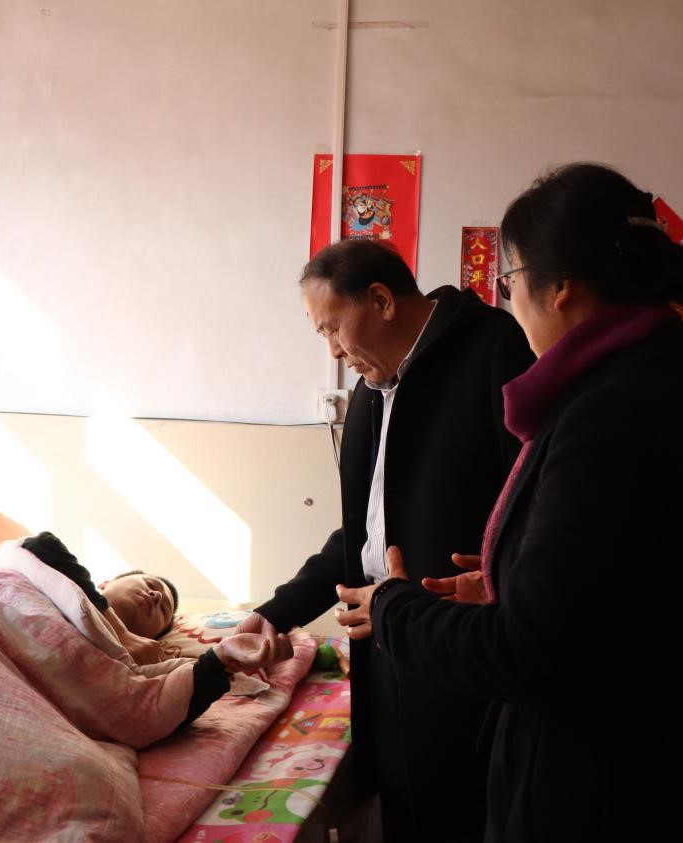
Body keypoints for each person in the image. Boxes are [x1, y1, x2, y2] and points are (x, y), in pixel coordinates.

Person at [344, 163, 683, 841]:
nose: (510, 303)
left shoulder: (611, 415)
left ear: (560, 286)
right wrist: (506, 581)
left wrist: (393, 606)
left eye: (510, 281)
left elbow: (529, 651)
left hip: (601, 792)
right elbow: (614, 599)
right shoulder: (664, 388)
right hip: (653, 766)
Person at [237, 239, 535, 842]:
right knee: (406, 814)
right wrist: (275, 614)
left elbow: (533, 504)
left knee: (466, 817)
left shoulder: (491, 351)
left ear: (381, 301)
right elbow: (362, 535)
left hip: (463, 653)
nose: (332, 351)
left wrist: (500, 582)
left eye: (333, 328)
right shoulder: (372, 393)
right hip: (385, 648)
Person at [20, 531, 293, 727]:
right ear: (104, 584)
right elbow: (40, 544)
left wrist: (224, 657)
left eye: (163, 609)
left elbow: (161, 709)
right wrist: (120, 632)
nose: (156, 596)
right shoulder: (54, 582)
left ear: (150, 639)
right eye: (150, 584)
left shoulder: (133, 665)